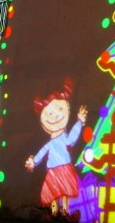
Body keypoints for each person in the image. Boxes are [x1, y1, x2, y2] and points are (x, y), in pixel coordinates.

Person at [26, 79, 87, 215]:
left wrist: (79, 122)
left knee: (64, 192)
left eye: (60, 109)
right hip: (53, 171)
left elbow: (71, 139)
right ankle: (54, 214)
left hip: (64, 168)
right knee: (52, 194)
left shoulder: (63, 138)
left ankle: (64, 213)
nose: (55, 115)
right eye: (49, 113)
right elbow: (42, 152)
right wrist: (33, 161)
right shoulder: (50, 143)